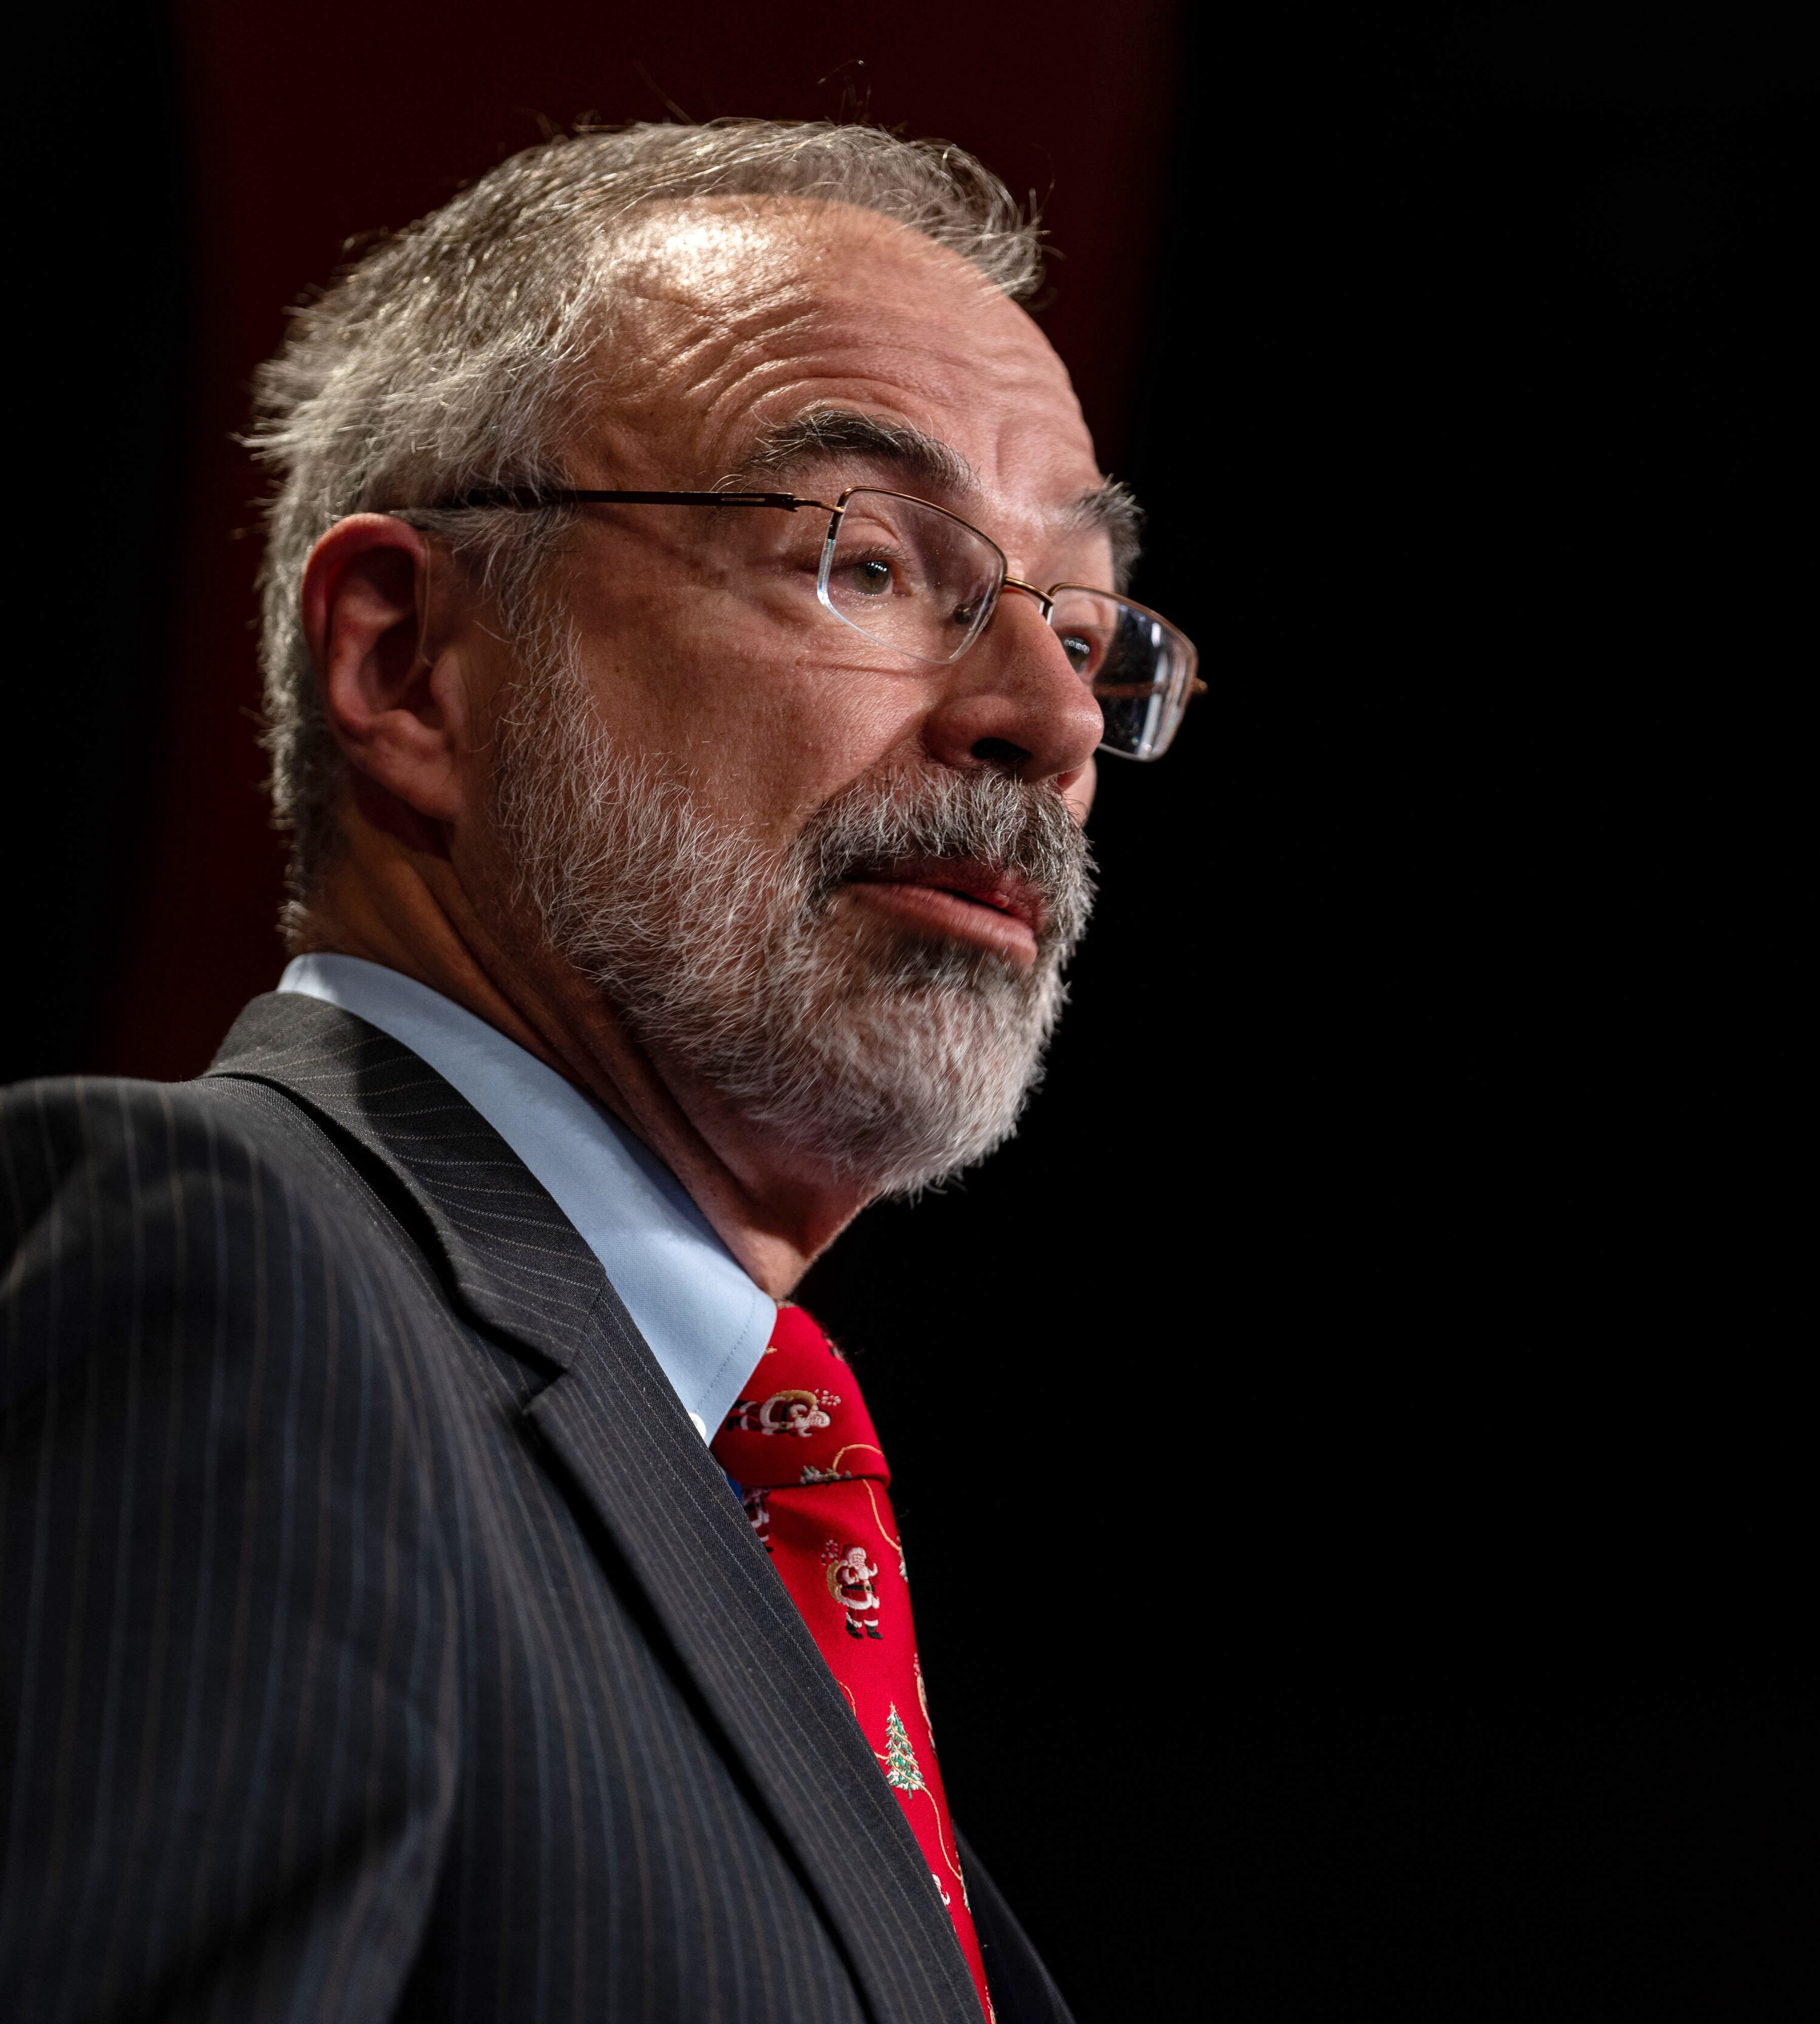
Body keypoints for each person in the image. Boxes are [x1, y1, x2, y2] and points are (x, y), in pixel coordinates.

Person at [0, 120, 1200, 2024]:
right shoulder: (231, 1279)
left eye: (1088, 624)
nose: (1048, 721)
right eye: (872, 562)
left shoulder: (742, 1524)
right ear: (406, 665)